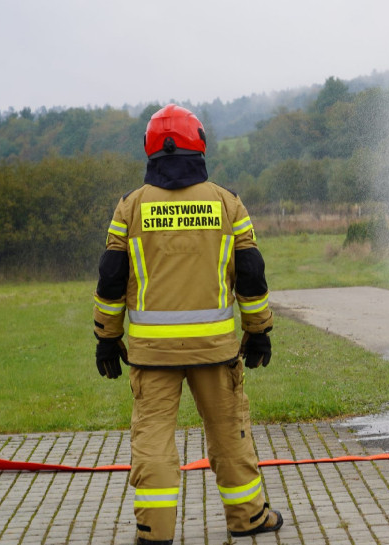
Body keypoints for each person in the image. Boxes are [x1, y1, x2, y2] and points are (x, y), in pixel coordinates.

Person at [92, 104, 283, 544]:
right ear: (199, 143)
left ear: (149, 148)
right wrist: (258, 331)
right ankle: (249, 519)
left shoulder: (131, 208)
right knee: (229, 435)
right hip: (214, 350)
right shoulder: (227, 203)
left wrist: (107, 337)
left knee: (153, 442)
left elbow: (111, 278)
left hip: (151, 355)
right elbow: (251, 276)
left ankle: (154, 532)